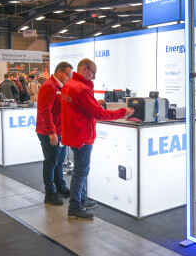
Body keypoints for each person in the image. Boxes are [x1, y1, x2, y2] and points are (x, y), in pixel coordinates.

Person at [61, 58, 134, 219]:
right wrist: (123, 112)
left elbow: (80, 107)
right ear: (85, 69)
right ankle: (75, 207)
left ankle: (81, 199)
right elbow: (99, 114)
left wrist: (93, 102)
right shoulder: (81, 88)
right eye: (93, 73)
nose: (93, 77)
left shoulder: (69, 85)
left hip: (74, 133)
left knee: (81, 170)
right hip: (81, 135)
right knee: (81, 171)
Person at [36, 61, 73, 206]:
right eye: (68, 75)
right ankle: (50, 193)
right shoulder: (49, 87)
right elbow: (45, 112)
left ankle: (61, 187)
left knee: (59, 162)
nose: (69, 77)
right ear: (59, 72)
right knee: (51, 162)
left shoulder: (62, 87)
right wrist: (52, 132)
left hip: (60, 132)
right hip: (49, 133)